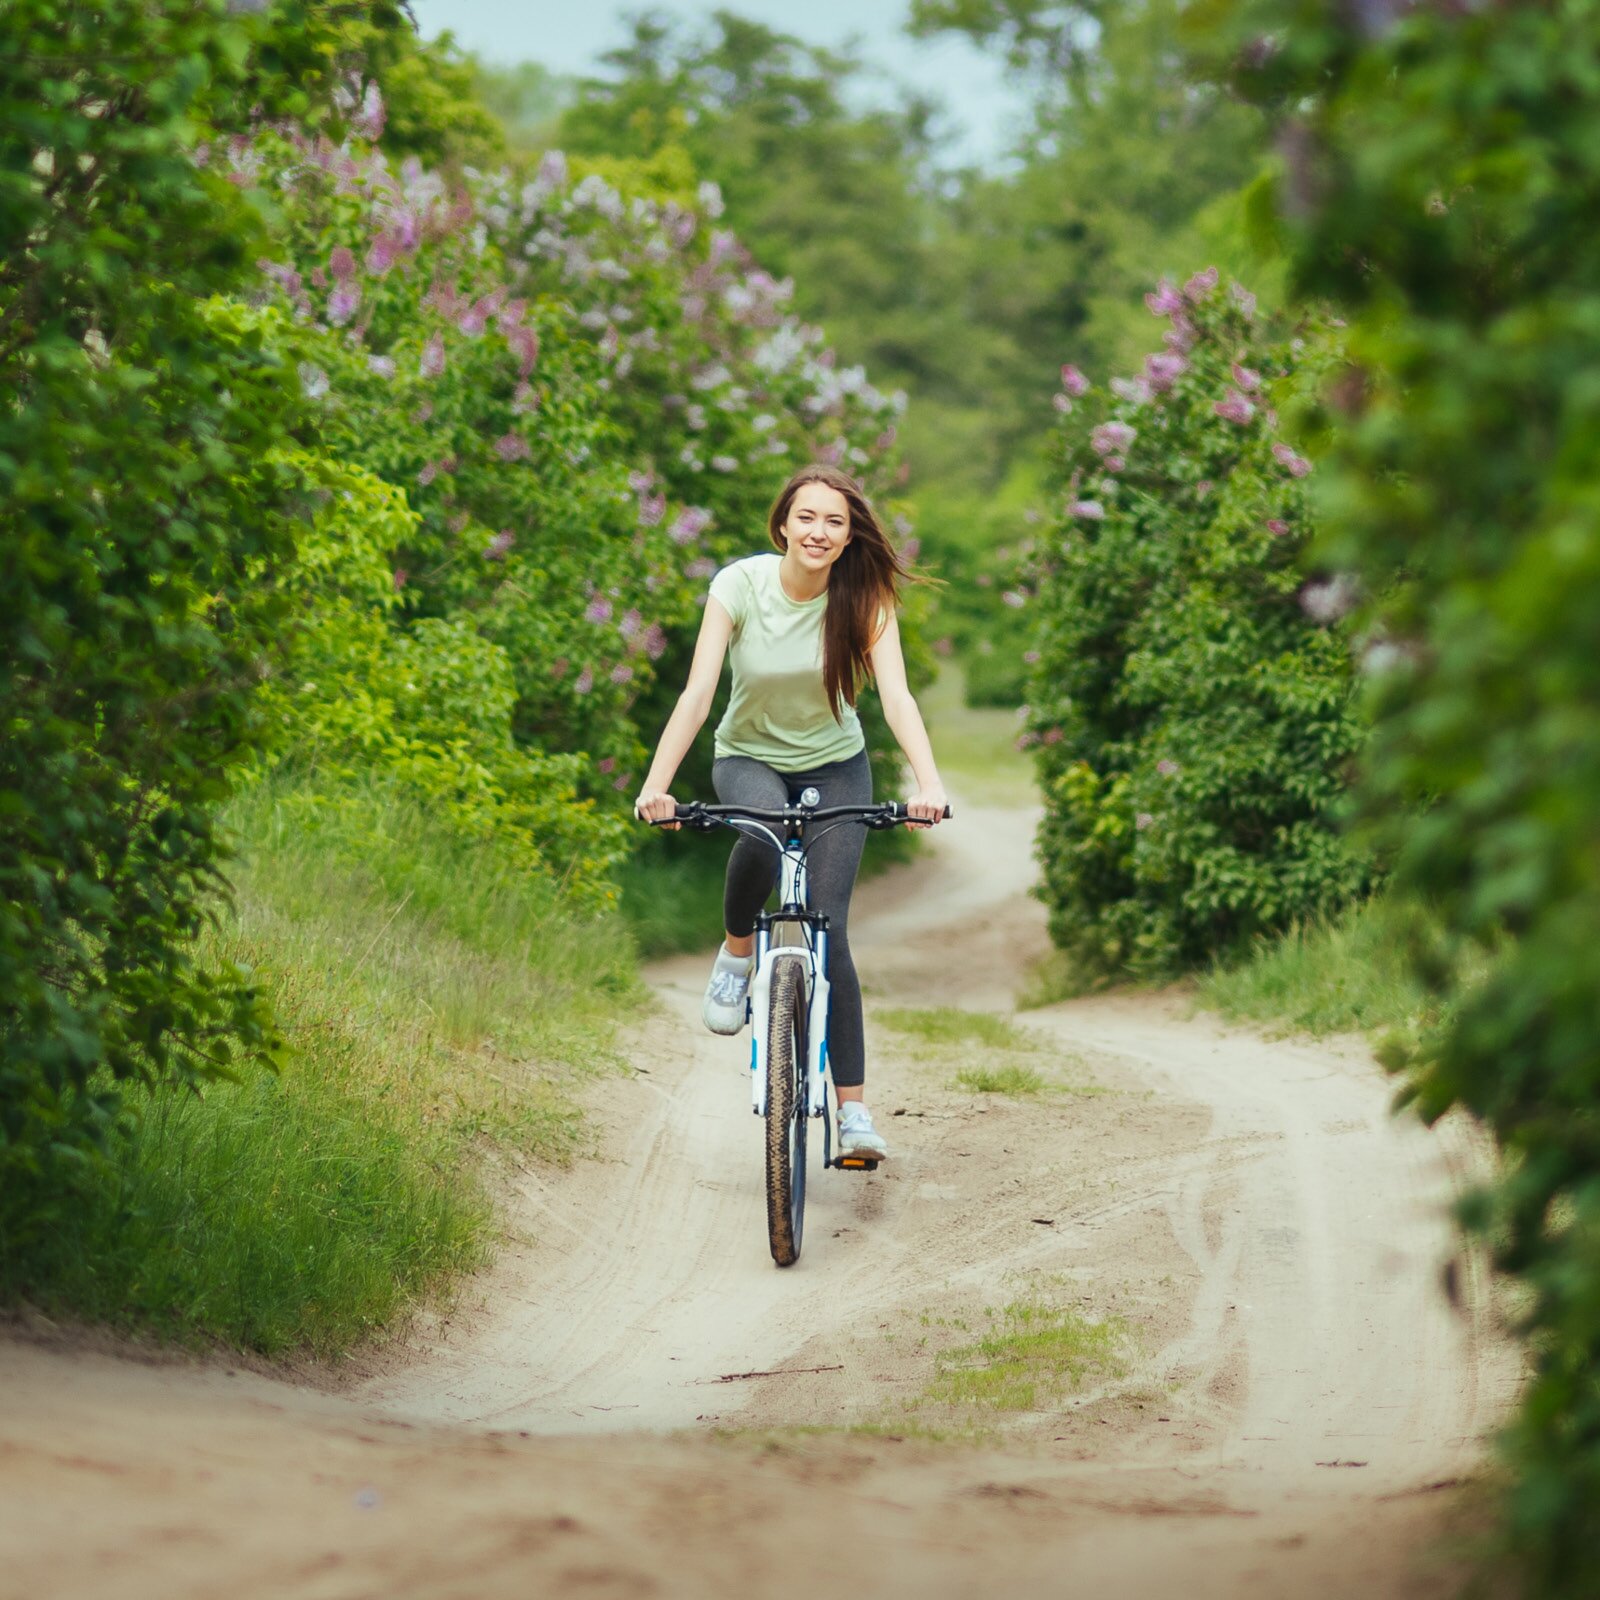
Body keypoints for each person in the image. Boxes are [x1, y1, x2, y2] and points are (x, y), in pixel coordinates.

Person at [634, 463, 948, 1161]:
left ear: (847, 537)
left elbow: (897, 699)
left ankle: (855, 1116)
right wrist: (656, 786)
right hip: (747, 756)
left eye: (835, 522)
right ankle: (739, 951)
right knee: (761, 834)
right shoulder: (739, 586)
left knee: (830, 934)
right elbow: (696, 695)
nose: (819, 531)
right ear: (783, 525)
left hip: (837, 765)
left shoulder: (864, 600)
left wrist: (929, 783)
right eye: (807, 517)